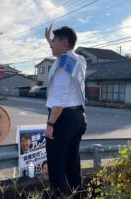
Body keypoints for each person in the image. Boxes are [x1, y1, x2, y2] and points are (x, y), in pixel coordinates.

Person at [44, 24, 87, 197]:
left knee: (56, 166)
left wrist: (50, 124)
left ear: (64, 41)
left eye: (54, 41)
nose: (51, 44)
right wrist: (49, 39)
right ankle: (79, 195)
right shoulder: (80, 60)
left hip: (62, 118)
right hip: (78, 117)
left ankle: (60, 196)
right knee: (72, 164)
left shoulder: (63, 64)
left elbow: (60, 99)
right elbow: (62, 50)